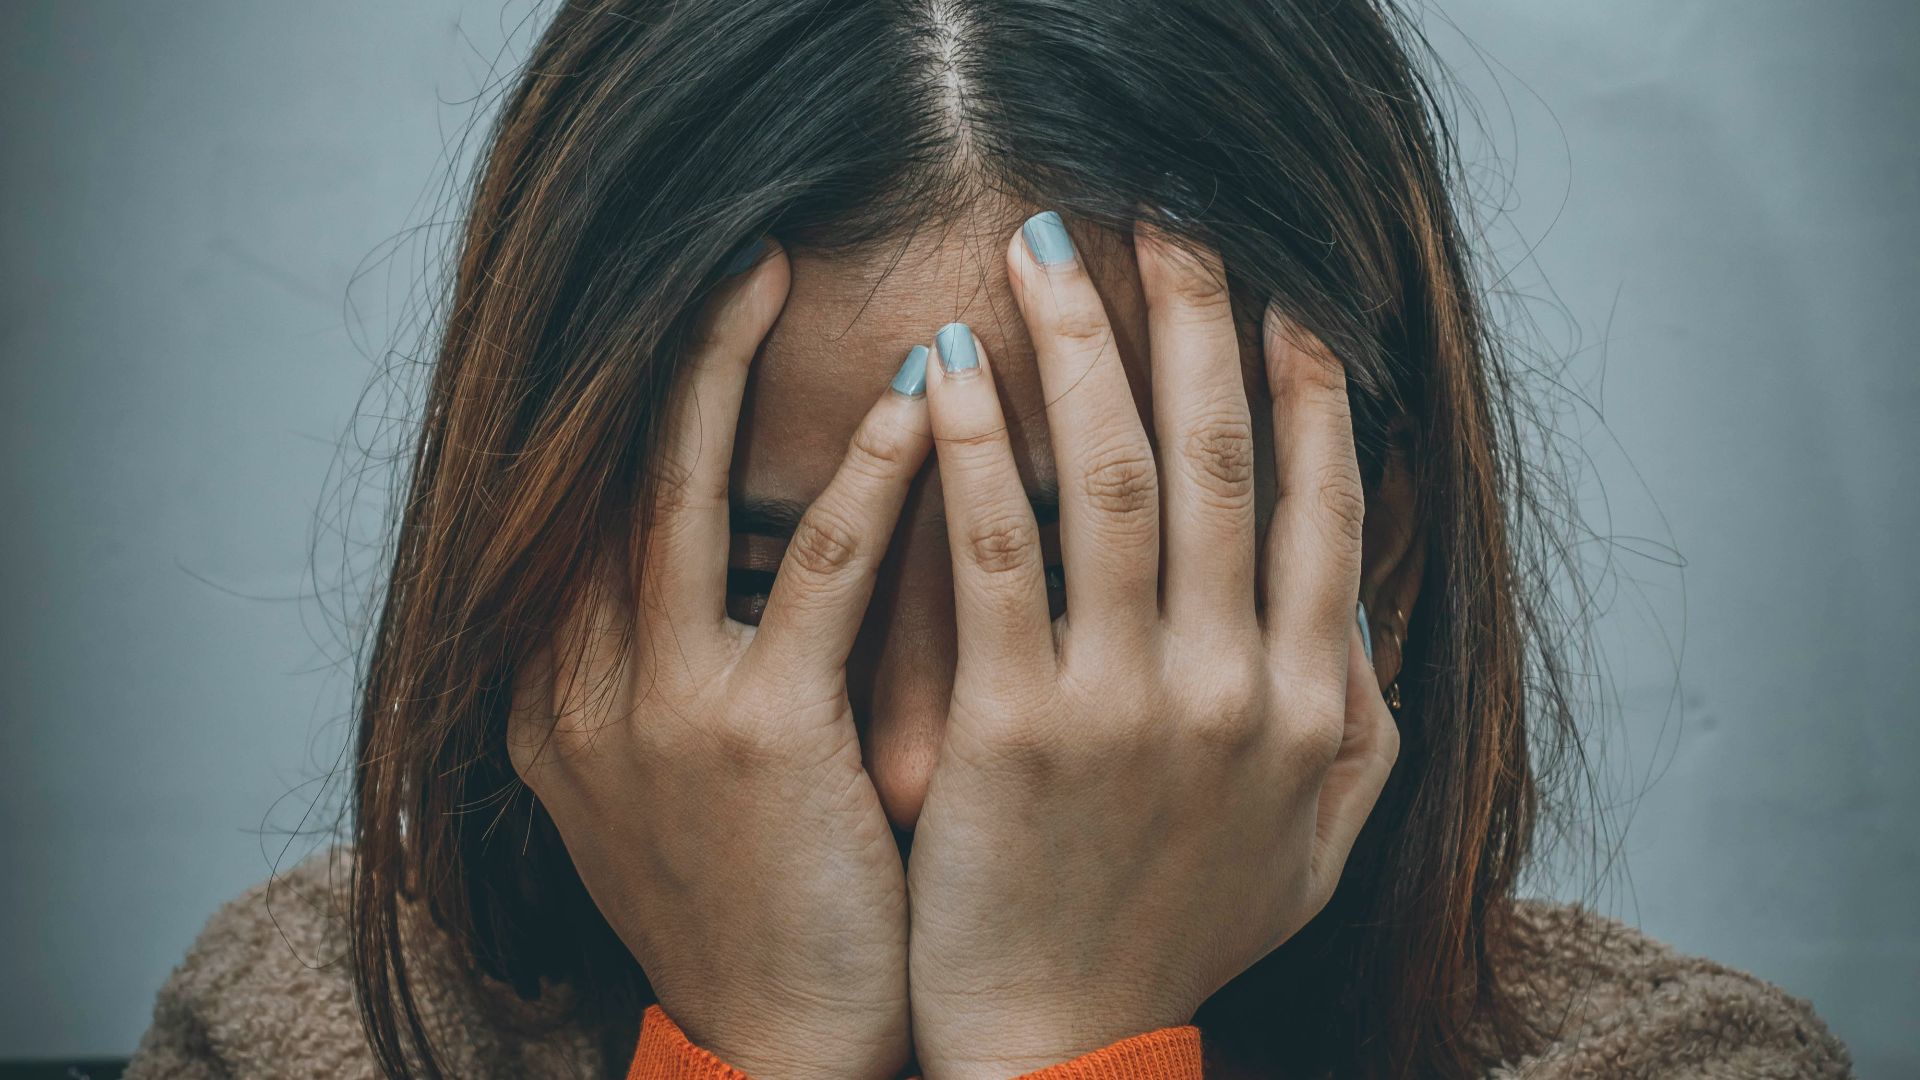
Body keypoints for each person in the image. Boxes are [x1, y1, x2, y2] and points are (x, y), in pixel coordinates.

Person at [125, 1, 1854, 1077]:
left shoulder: (1678, 1066)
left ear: (1369, 564)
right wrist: (759, 1051)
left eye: (1084, 595)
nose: (906, 761)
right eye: (760, 590)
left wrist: (1063, 1042)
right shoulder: (314, 1035)